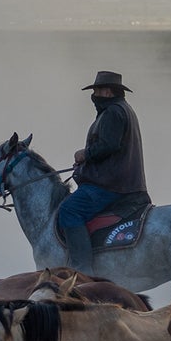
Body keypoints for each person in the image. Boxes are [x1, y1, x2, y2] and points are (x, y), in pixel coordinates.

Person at [57, 71, 147, 274]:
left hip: (110, 184)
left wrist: (84, 154)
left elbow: (108, 146)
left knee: (69, 210)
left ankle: (82, 270)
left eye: (98, 90)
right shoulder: (123, 109)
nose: (95, 95)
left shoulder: (113, 112)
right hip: (122, 182)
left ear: (108, 91)